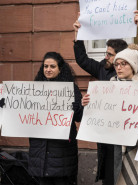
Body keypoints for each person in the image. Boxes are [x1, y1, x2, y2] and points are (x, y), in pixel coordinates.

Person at [73, 10, 138, 184]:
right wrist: (88, 103)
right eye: (115, 62)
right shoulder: (102, 71)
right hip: (109, 145)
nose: (109, 59)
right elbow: (82, 59)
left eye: (112, 55)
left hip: (133, 146)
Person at [82, 44, 138, 185]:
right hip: (111, 149)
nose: (119, 67)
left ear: (133, 65)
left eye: (123, 64)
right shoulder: (106, 88)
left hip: (137, 151)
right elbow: (98, 116)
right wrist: (87, 103)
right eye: (116, 64)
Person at [29, 52, 83, 185]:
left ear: (60, 69)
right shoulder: (32, 89)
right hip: (39, 151)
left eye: (52, 66)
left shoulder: (70, 90)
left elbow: (79, 117)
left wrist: (77, 106)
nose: (48, 69)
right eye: (45, 66)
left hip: (62, 152)